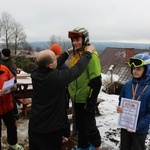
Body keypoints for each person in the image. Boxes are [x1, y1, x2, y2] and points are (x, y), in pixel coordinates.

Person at [28, 45, 96, 150]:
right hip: (50, 130)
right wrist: (88, 53)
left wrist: (67, 53)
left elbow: (54, 64)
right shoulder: (55, 78)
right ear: (50, 65)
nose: (57, 59)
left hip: (35, 126)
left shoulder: (36, 73)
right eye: (55, 58)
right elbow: (77, 70)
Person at [68, 27, 102, 150]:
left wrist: (91, 101)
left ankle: (97, 145)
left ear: (84, 39)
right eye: (73, 40)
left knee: (89, 126)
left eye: (77, 39)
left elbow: (96, 81)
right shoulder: (75, 56)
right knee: (80, 126)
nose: (75, 43)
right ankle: (82, 146)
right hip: (76, 97)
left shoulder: (91, 57)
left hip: (86, 98)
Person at [117, 53, 150, 150]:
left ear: (147, 70)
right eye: (133, 68)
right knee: (124, 147)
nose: (135, 71)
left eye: (139, 69)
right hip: (125, 125)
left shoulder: (148, 89)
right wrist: (120, 108)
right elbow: (121, 100)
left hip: (140, 129)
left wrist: (137, 126)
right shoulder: (127, 85)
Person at [0, 64, 23, 150]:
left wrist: (14, 87)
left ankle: (13, 143)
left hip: (8, 106)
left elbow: (13, 81)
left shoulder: (4, 69)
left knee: (12, 127)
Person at [50, 43, 70, 140]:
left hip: (62, 96)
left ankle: (64, 136)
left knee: (62, 117)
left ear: (58, 55)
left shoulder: (63, 68)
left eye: (54, 53)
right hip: (56, 97)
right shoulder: (55, 66)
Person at [1, 48, 19, 120]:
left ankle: (15, 113)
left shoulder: (11, 62)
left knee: (11, 98)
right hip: (2, 81)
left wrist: (13, 82)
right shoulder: (2, 60)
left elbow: (14, 72)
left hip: (8, 81)